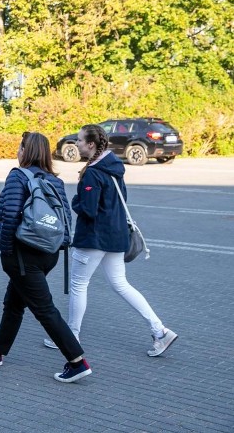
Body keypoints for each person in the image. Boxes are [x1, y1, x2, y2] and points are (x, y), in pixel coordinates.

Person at [0, 132, 92, 383]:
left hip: (23, 255)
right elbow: (65, 219)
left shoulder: (18, 176)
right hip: (48, 253)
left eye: (20, 147)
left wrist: (5, 250)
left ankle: (77, 361)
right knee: (14, 303)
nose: (17, 151)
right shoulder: (55, 181)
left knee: (44, 308)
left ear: (26, 151)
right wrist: (61, 245)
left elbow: (10, 216)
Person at [58, 123, 177, 357]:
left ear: (90, 144)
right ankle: (159, 330)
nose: (77, 143)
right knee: (121, 284)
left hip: (94, 238)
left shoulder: (93, 171)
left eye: (80, 140)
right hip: (116, 236)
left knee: (79, 285)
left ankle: (71, 337)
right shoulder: (114, 167)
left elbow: (89, 210)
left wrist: (75, 202)